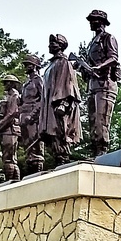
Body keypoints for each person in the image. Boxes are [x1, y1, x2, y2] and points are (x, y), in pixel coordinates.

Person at [82, 9, 121, 158]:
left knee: (101, 119)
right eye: (91, 20)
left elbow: (113, 58)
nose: (91, 23)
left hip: (105, 84)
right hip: (93, 85)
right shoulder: (92, 43)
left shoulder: (108, 38)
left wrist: (99, 67)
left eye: (95, 20)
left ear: (102, 22)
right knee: (92, 120)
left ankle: (102, 150)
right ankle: (95, 151)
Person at [40, 34, 82, 165]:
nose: (50, 45)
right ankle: (59, 160)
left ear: (61, 46)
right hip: (49, 108)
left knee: (60, 134)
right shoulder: (50, 66)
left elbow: (69, 84)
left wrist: (64, 103)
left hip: (60, 106)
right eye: (50, 43)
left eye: (54, 43)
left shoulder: (64, 62)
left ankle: (63, 160)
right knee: (53, 137)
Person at [0, 74, 22, 182]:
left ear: (13, 84)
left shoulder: (14, 96)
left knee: (10, 159)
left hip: (11, 130)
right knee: (8, 158)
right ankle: (12, 181)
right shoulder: (7, 96)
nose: (4, 84)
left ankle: (12, 182)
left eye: (7, 82)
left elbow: (11, 114)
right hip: (5, 130)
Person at [19, 54, 45, 176]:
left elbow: (43, 100)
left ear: (35, 66)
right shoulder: (26, 83)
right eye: (25, 65)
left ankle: (37, 168)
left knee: (34, 145)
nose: (26, 67)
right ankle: (30, 169)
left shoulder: (38, 80)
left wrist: (33, 115)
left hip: (33, 117)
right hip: (24, 115)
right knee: (27, 146)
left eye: (29, 64)